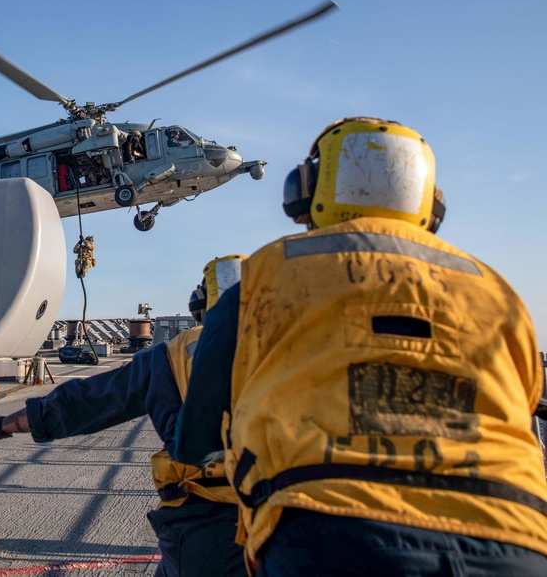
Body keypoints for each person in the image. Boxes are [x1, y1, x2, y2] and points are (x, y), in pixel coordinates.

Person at [170, 117, 547, 575]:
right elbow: (524, 401)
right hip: (513, 534)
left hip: (325, 531)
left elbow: (195, 439)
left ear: (305, 191)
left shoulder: (263, 277)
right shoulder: (495, 290)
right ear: (432, 206)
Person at [0, 260, 248, 577]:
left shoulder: (175, 356)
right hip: (286, 517)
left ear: (200, 305)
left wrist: (2, 425)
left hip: (205, 526)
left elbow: (91, 401)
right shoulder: (296, 347)